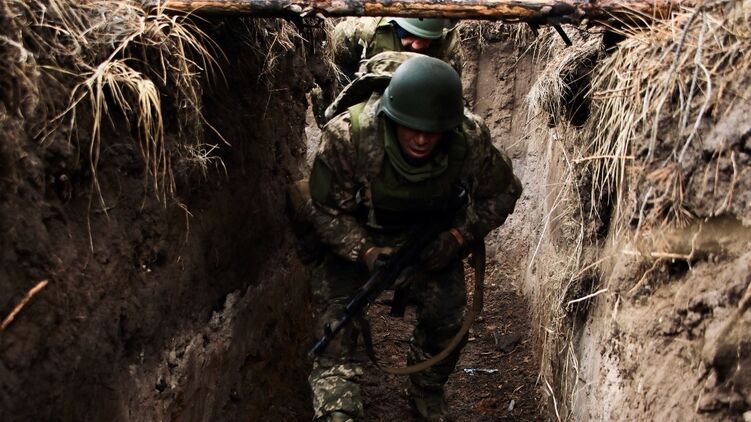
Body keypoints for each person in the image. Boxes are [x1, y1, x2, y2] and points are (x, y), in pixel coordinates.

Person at [306, 56, 521, 422]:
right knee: (336, 328)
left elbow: (504, 192)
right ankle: (337, 410)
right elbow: (323, 210)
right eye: (411, 127)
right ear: (390, 117)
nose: (421, 139)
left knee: (448, 317)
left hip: (431, 243)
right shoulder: (349, 136)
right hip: (359, 240)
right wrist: (365, 251)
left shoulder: (469, 140)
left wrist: (457, 237)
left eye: (432, 130)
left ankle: (426, 390)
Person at [332, 16, 463, 82]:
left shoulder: (447, 43)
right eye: (410, 35)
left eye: (427, 39)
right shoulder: (360, 31)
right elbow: (338, 72)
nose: (417, 46)